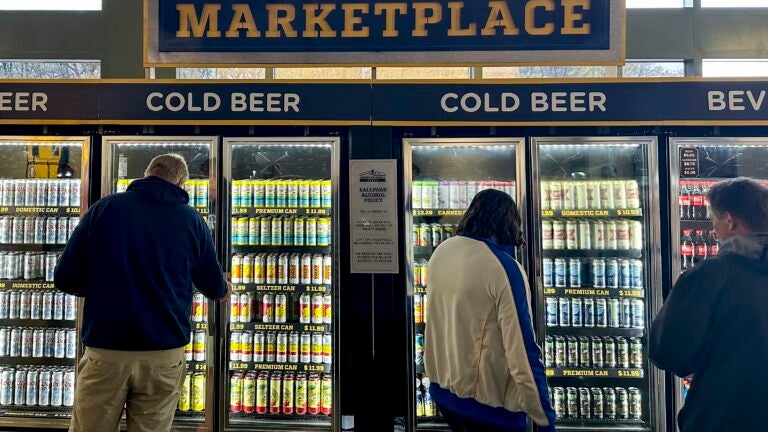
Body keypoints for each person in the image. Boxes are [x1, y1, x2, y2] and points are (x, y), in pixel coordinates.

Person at [55, 154, 230, 432]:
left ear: (146, 174)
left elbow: (64, 277)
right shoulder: (192, 220)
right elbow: (212, 285)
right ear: (182, 182)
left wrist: (104, 290)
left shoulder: (105, 209)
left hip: (106, 348)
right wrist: (224, 289)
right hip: (163, 352)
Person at [424, 189, 556, 432]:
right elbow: (523, 351)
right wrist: (543, 416)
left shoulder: (442, 251)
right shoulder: (504, 268)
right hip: (488, 407)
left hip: (443, 393)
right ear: (509, 221)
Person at [650, 177, 768, 432]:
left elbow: (668, 353)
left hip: (724, 416)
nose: (714, 229)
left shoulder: (707, 277)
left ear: (729, 220)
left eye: (713, 220)